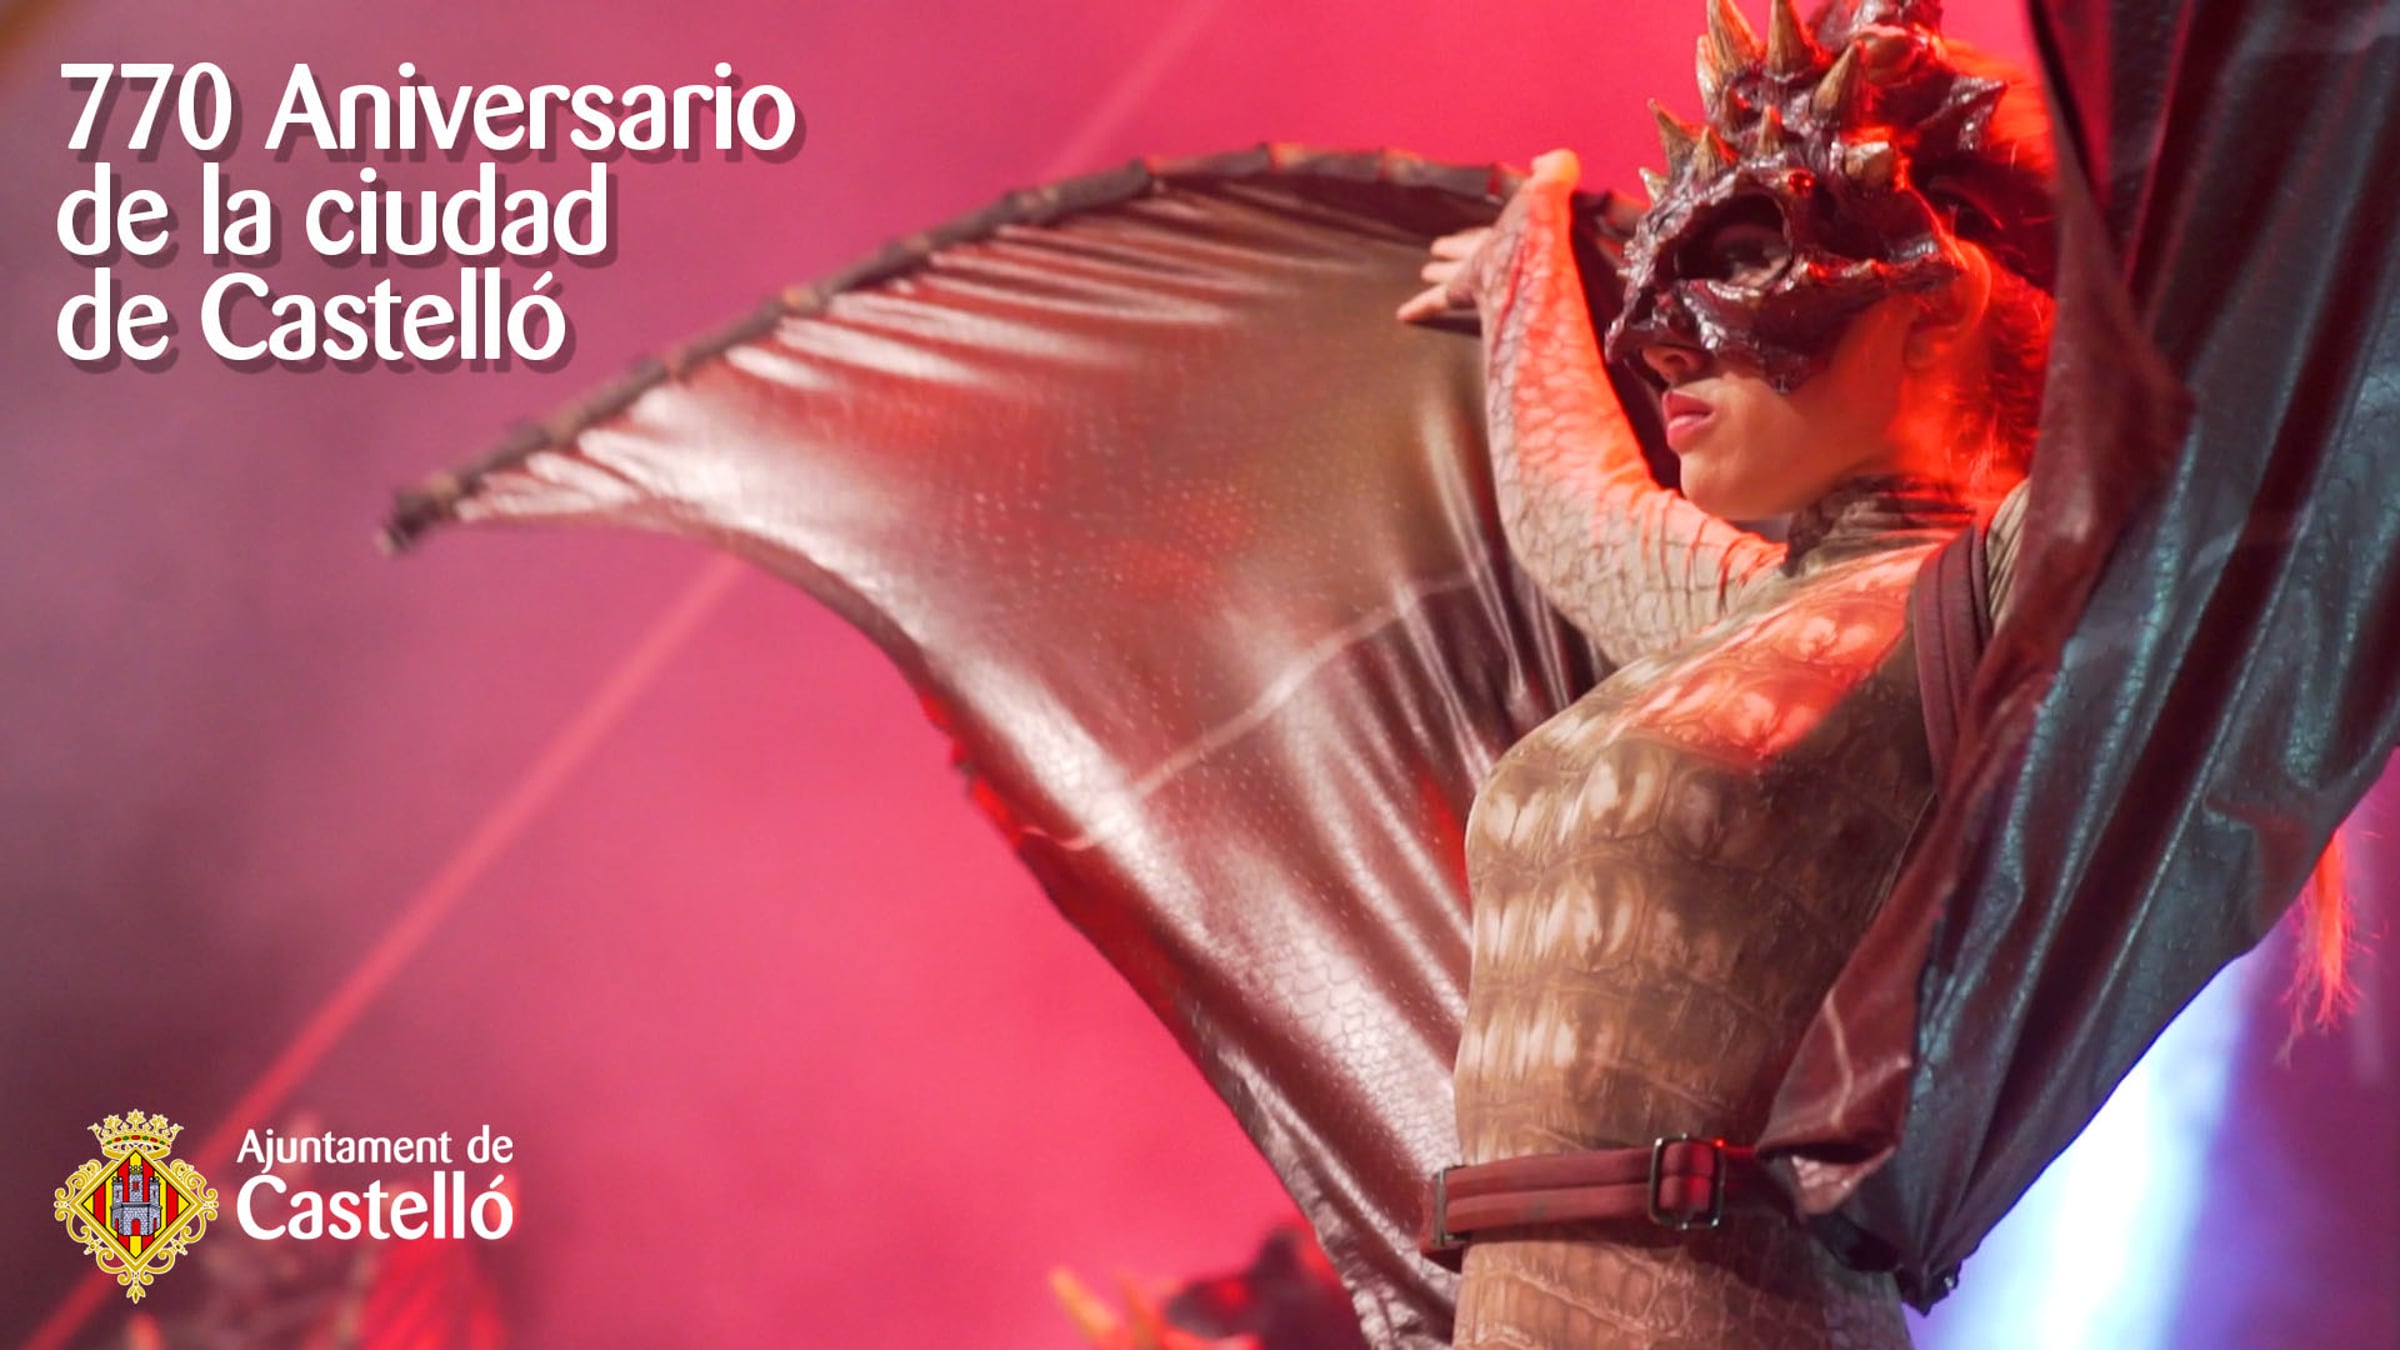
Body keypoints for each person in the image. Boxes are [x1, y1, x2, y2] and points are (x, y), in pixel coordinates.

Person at [1393, 3, 2052, 1342]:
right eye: (1654, 275)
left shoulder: (2002, 596)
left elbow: (2237, 395)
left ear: (1937, 300)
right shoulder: (1749, 610)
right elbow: (1572, 514)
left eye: (1742, 258)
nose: (1656, 339)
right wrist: (1527, 272)